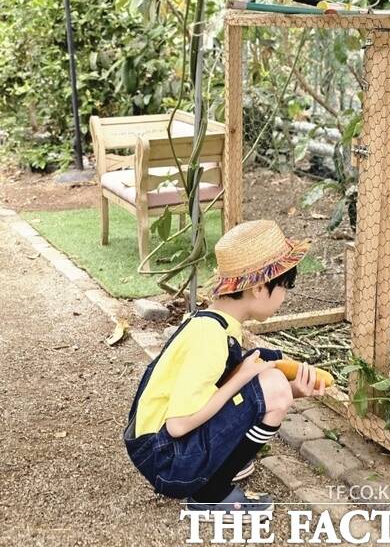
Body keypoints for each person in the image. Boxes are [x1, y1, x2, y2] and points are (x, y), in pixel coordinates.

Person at [123, 219, 325, 522]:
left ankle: (216, 464)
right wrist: (246, 378)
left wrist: (293, 390)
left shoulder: (212, 322)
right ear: (259, 288)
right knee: (267, 381)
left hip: (160, 449)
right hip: (167, 459)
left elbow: (215, 390)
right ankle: (209, 494)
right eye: (283, 286)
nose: (285, 296)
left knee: (268, 371)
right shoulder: (210, 337)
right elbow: (178, 425)